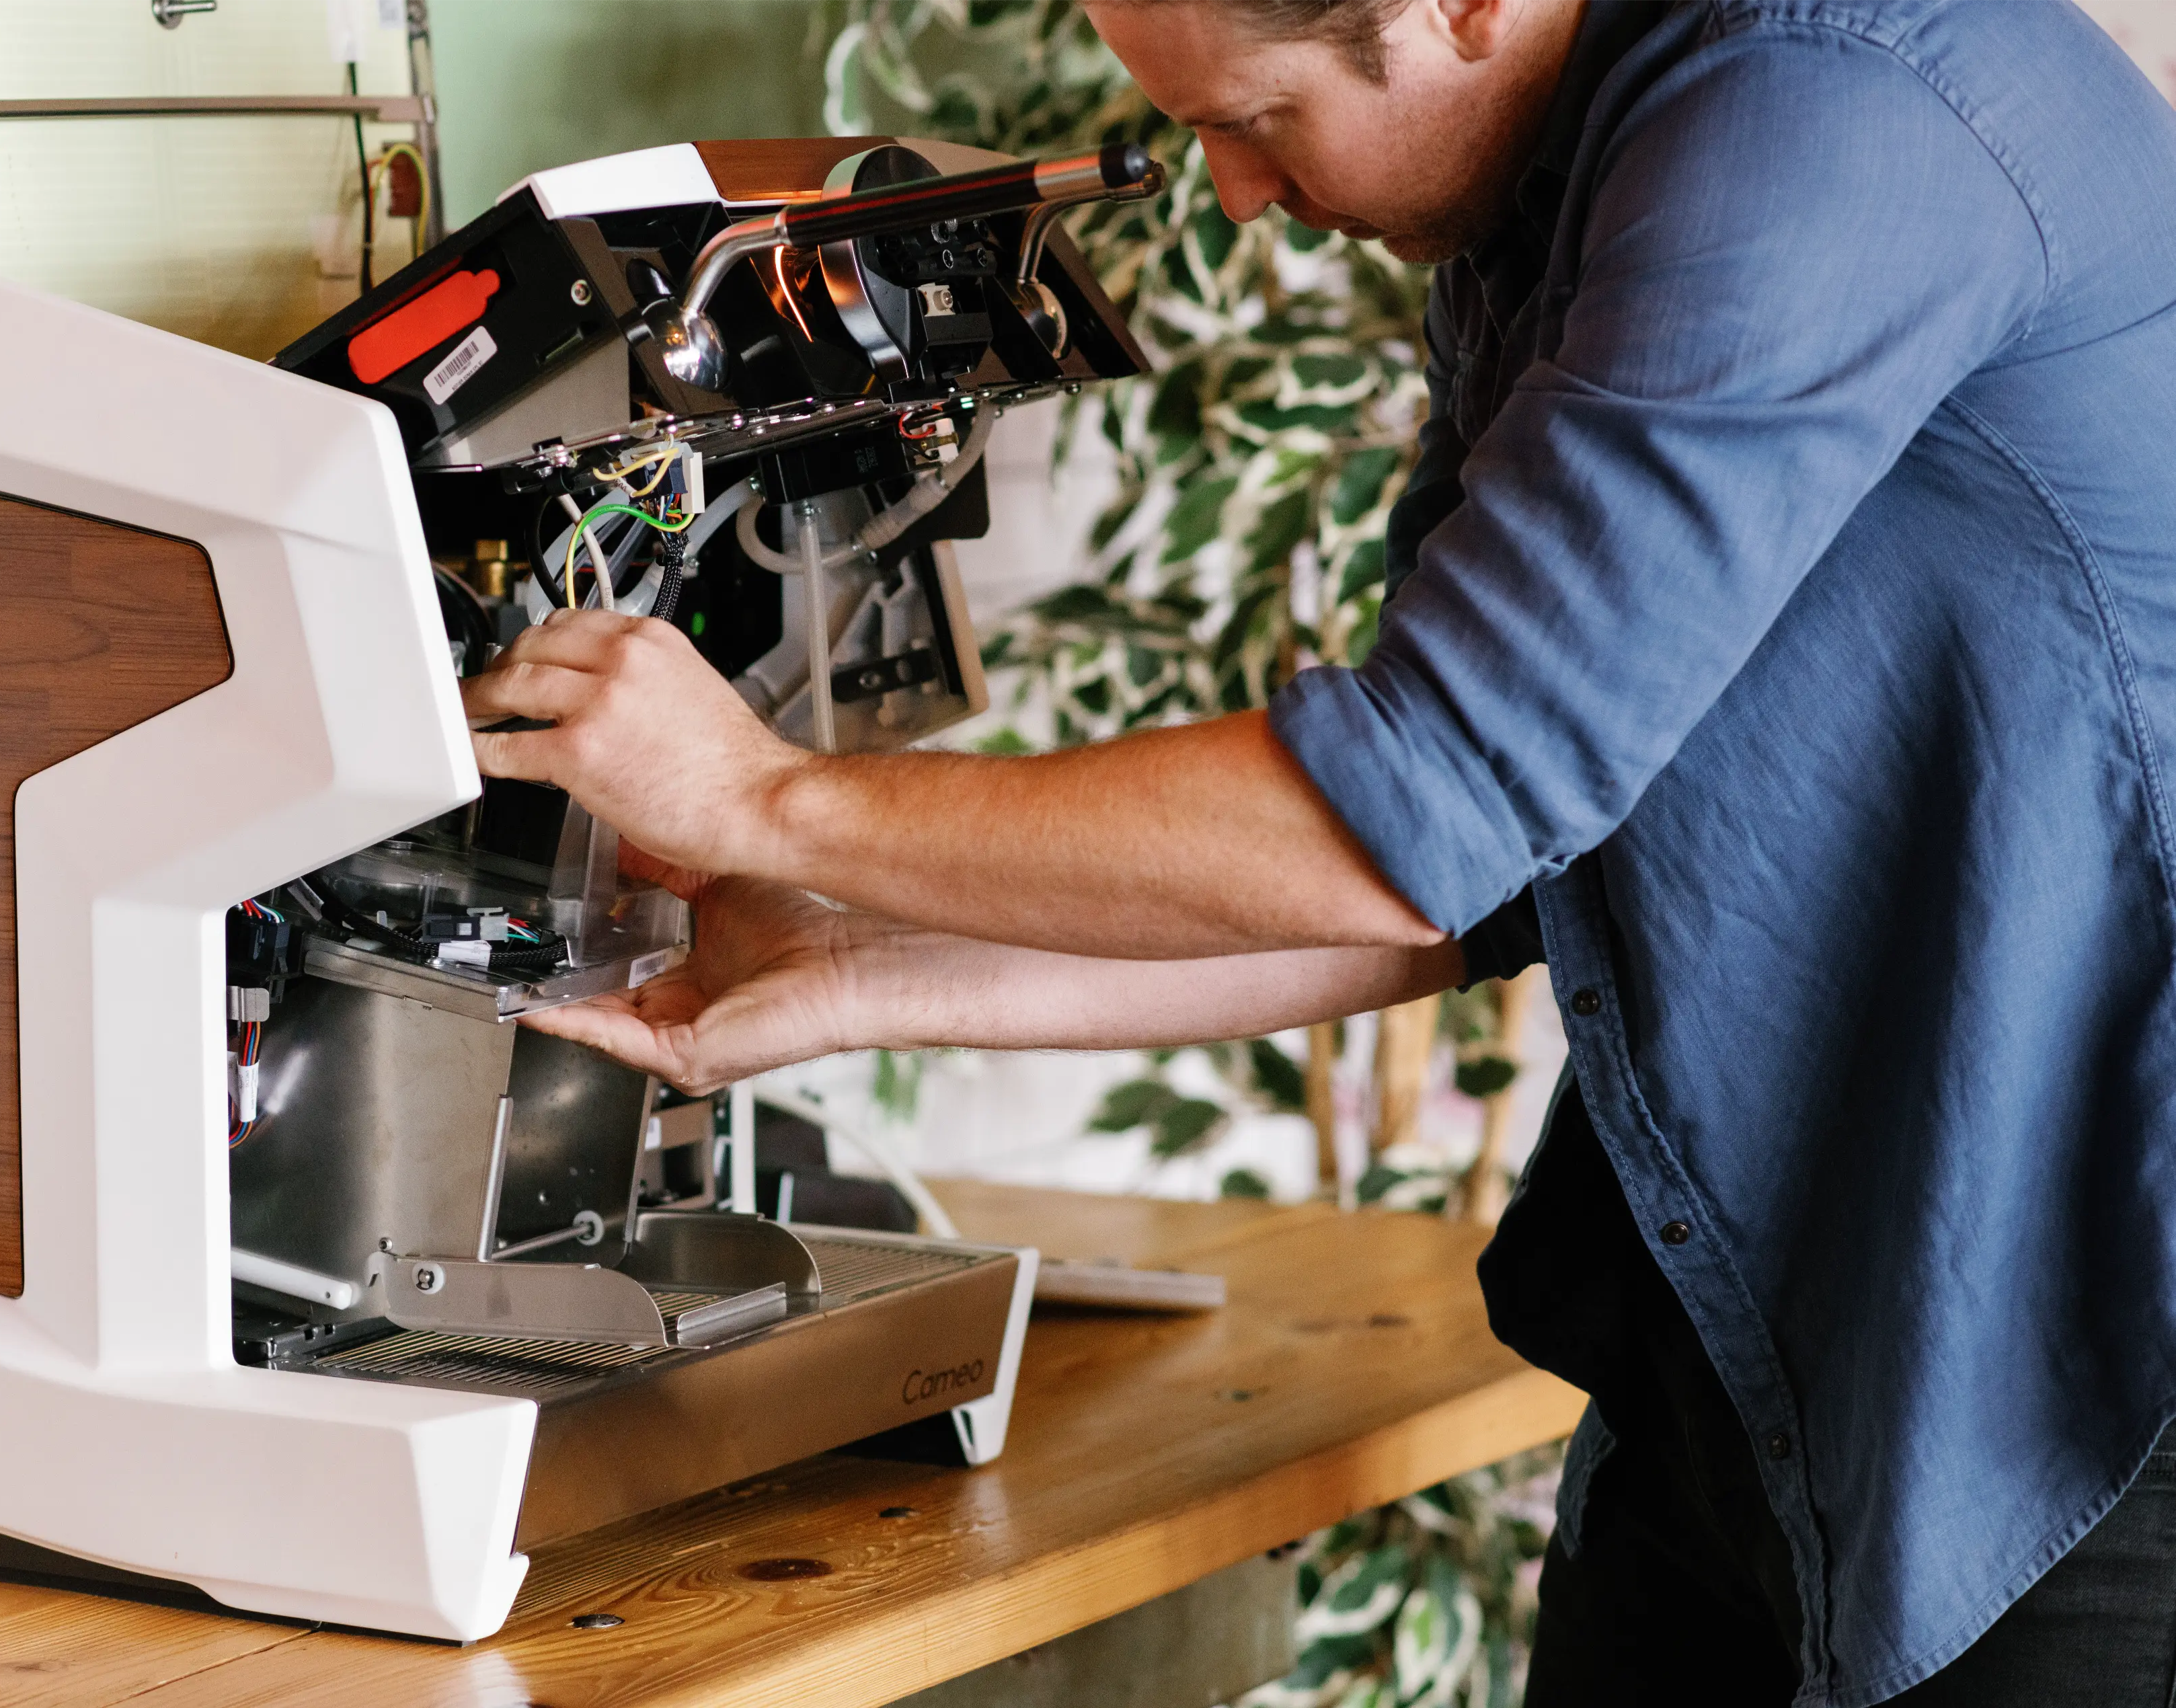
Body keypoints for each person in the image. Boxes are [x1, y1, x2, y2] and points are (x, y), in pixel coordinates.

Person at [460, 0, 2176, 1699]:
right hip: (1778, 1333)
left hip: (2085, 1359)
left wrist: (766, 796)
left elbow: (1415, 802)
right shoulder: (1551, 195)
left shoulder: (1832, 111)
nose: (1233, 197)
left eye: (1254, 118)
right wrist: (850, 966)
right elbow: (1474, 874)